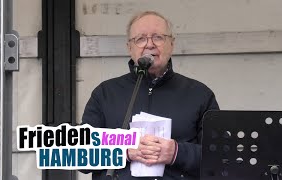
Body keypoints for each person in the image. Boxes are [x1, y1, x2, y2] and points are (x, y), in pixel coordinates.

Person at [81, 11, 219, 179]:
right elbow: (80, 155)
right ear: (129, 48)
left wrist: (176, 152)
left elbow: (220, 156)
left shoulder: (199, 94)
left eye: (158, 37)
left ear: (171, 44)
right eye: (140, 39)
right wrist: (124, 151)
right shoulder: (105, 93)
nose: (150, 44)